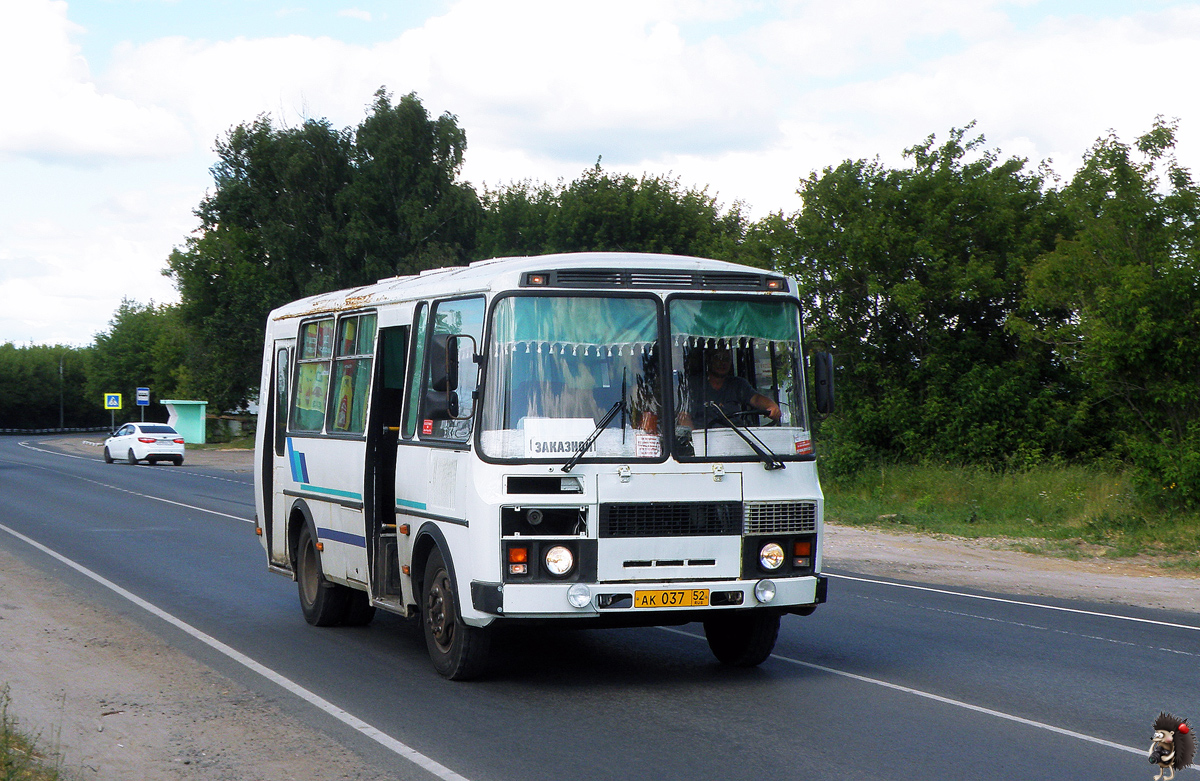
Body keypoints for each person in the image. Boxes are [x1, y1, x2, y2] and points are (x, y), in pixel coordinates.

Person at [682, 347, 781, 429]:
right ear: (708, 360)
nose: (722, 363)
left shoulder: (738, 384)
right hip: (705, 443)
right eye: (718, 358)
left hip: (736, 439)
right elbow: (684, 416)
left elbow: (756, 399)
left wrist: (771, 406)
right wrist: (694, 440)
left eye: (726, 359)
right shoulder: (693, 385)